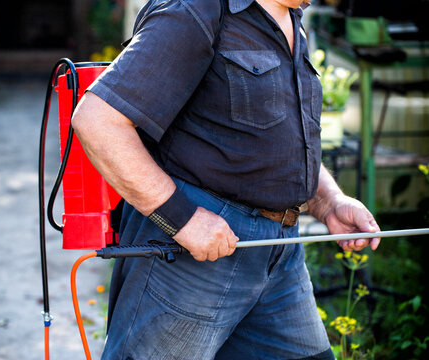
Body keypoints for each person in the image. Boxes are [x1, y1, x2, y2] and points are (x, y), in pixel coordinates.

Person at [72, 0, 381, 358]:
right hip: (194, 260)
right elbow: (97, 121)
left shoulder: (291, 18)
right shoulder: (195, 10)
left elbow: (279, 140)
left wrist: (329, 201)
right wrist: (182, 219)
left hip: (279, 256)